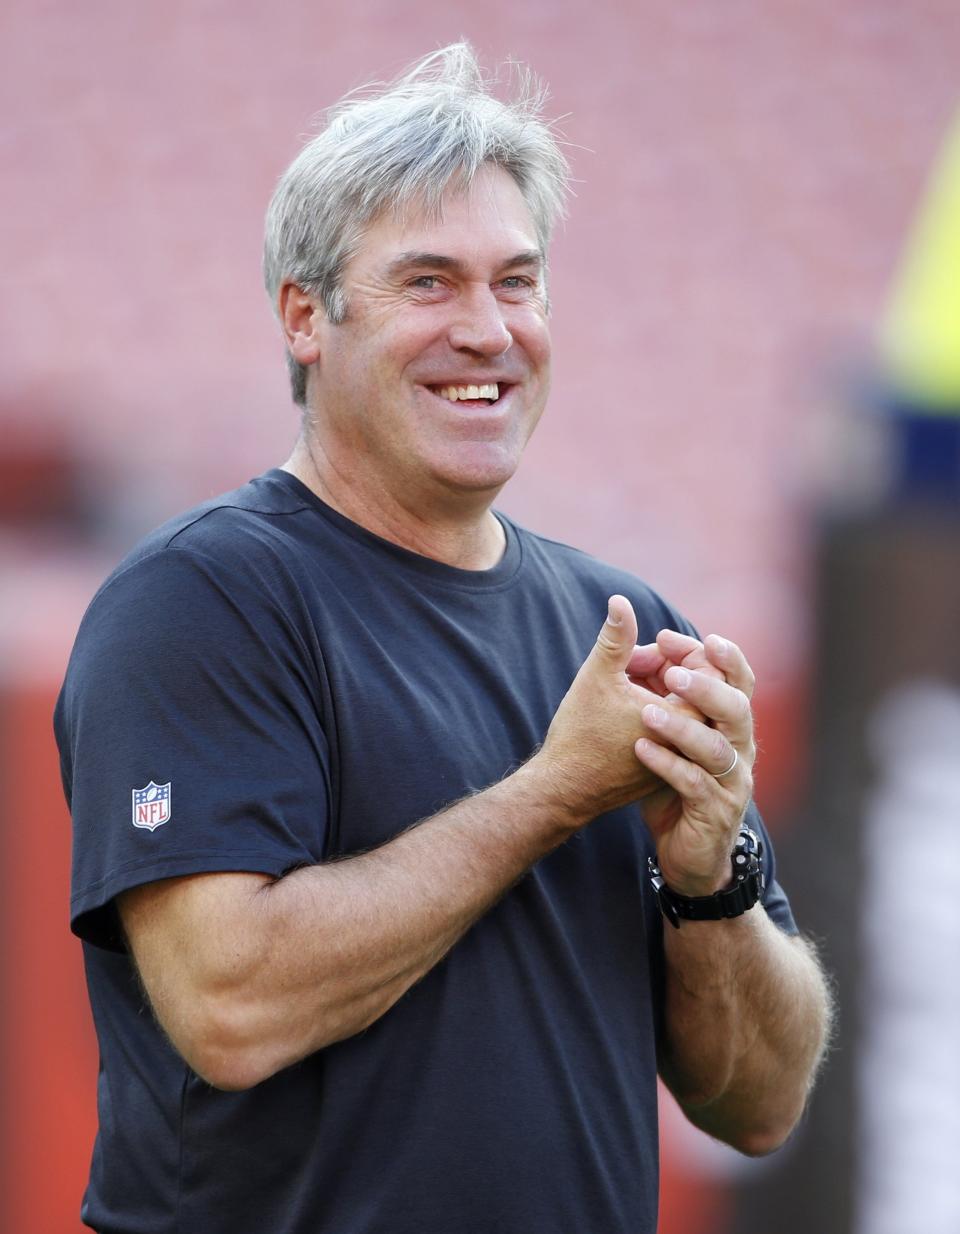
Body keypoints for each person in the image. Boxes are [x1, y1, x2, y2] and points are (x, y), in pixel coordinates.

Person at [55, 43, 831, 1234]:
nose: (488, 331)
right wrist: (556, 794)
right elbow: (229, 1008)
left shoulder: (623, 630)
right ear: (306, 317)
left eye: (517, 282)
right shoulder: (202, 600)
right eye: (429, 283)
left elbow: (760, 1104)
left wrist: (706, 876)